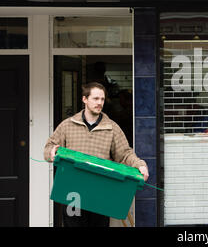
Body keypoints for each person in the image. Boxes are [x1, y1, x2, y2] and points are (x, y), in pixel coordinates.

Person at [43, 82, 149, 227]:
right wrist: (51, 152)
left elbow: (125, 154)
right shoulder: (67, 125)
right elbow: (49, 147)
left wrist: (140, 165)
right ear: (85, 99)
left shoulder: (112, 128)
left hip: (100, 194)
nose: (100, 103)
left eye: (102, 99)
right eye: (95, 99)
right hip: (73, 193)